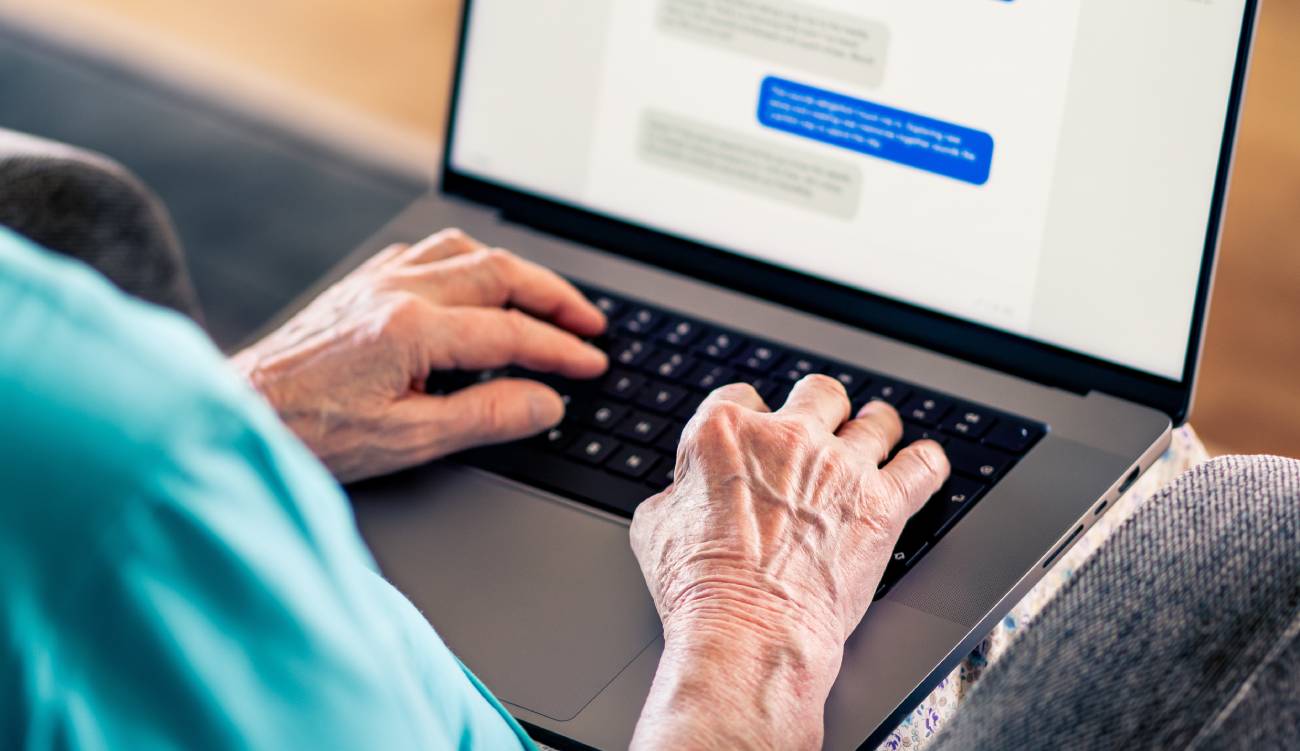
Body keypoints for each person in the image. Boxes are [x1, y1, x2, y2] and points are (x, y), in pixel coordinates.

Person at [3, 133, 1298, 750]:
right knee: (1260, 535)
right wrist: (749, 637)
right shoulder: (125, 474)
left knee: (70, 210)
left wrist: (243, 419)